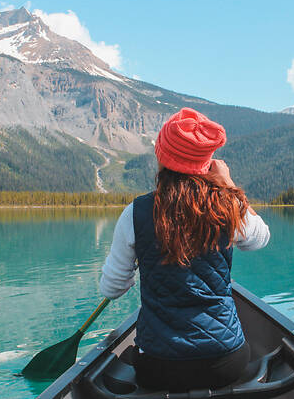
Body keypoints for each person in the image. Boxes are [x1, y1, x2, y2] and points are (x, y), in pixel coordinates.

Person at [98, 107, 270, 391]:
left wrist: (133, 268)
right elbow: (258, 239)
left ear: (161, 158)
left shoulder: (135, 213)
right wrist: (228, 185)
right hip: (226, 362)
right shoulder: (227, 206)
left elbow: (111, 289)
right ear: (207, 162)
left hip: (159, 366)